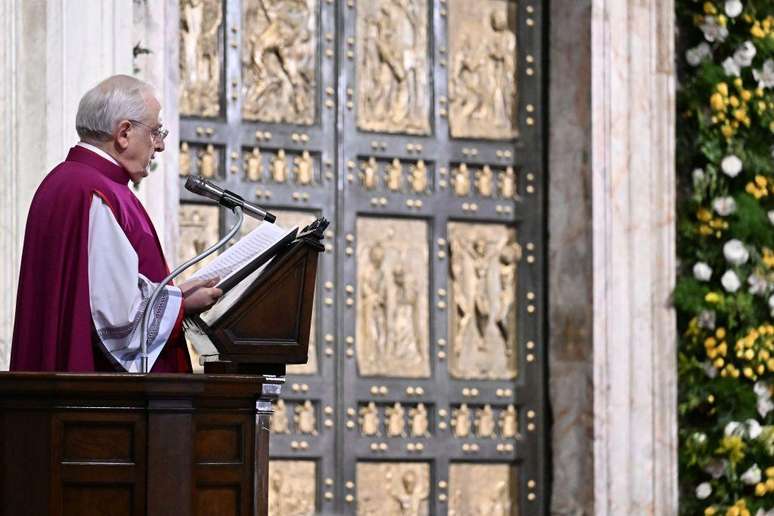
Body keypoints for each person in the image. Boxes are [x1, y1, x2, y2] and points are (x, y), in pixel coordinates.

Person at [10, 75, 222, 373]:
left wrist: (177, 294)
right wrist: (182, 306)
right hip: (110, 402)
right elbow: (118, 319)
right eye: (155, 132)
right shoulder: (100, 193)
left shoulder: (62, 182)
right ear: (123, 133)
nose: (160, 145)